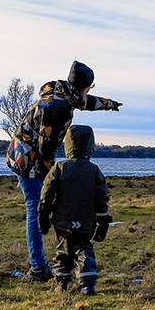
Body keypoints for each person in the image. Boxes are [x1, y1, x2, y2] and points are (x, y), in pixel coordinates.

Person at [9, 61, 121, 282]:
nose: (90, 90)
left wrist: (109, 104)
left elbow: (85, 102)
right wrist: (51, 178)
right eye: (91, 86)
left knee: (37, 205)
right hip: (29, 160)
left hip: (23, 152)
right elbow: (46, 147)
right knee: (35, 209)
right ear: (85, 85)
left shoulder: (61, 91)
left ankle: (40, 264)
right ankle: (39, 268)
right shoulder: (57, 108)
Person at [38, 125, 111, 295]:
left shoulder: (60, 168)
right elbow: (102, 199)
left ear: (67, 144)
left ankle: (62, 284)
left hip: (62, 220)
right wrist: (103, 221)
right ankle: (87, 285)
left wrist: (43, 214)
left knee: (63, 250)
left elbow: (47, 192)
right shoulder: (94, 170)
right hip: (86, 221)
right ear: (90, 145)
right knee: (85, 250)